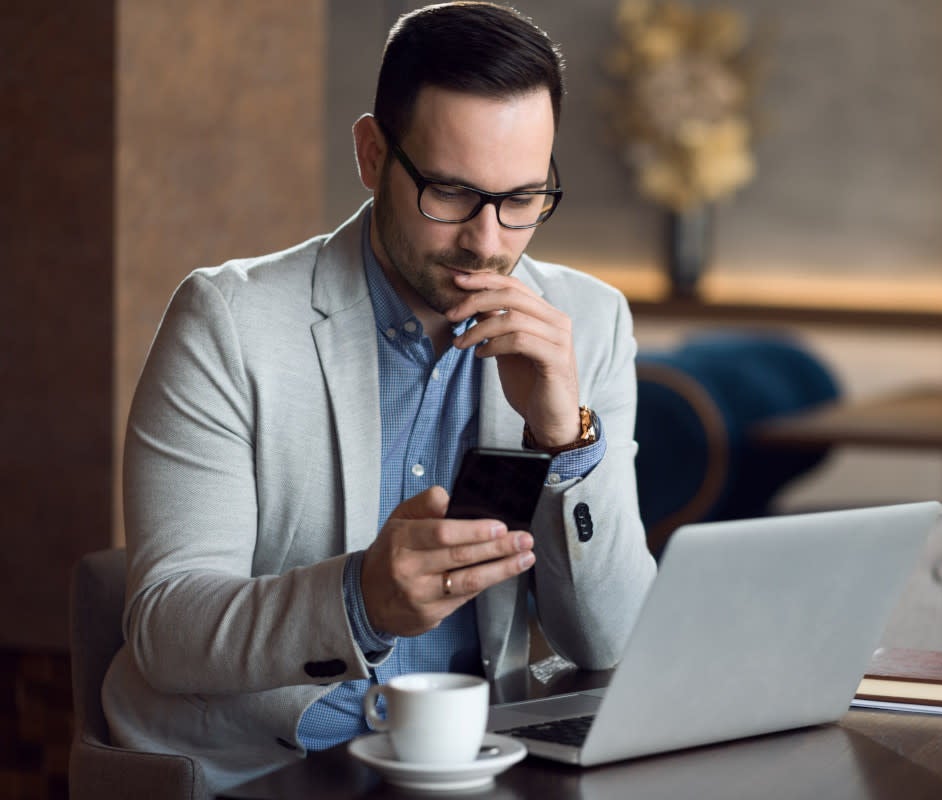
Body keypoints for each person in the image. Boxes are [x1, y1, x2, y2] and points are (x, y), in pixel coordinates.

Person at [101, 2, 657, 791]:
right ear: (371, 155)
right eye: (452, 194)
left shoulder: (590, 325)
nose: (489, 242)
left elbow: (615, 643)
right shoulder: (228, 324)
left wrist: (566, 438)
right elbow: (166, 628)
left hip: (474, 765)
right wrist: (358, 600)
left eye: (522, 199)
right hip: (255, 768)